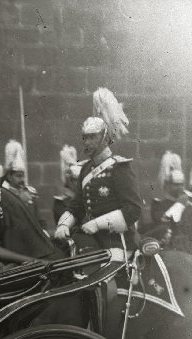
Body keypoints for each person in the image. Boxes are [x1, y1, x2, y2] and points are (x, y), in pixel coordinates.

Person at [53, 87, 142, 262]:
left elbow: (133, 210)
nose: (87, 142)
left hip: (117, 241)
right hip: (90, 240)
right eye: (84, 137)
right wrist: (63, 225)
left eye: (92, 137)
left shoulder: (119, 167)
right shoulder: (86, 169)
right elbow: (76, 206)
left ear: (104, 138)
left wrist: (96, 224)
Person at [0, 140, 59, 259]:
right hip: (12, 246)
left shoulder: (30, 193)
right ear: (9, 175)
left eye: (23, 175)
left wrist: (43, 232)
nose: (22, 179)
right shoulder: (1, 195)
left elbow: (40, 220)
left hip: (33, 243)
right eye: (18, 176)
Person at [147, 150, 191, 247]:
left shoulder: (187, 200)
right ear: (167, 185)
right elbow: (161, 220)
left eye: (181, 184)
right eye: (175, 185)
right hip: (167, 243)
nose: (179, 187)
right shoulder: (159, 203)